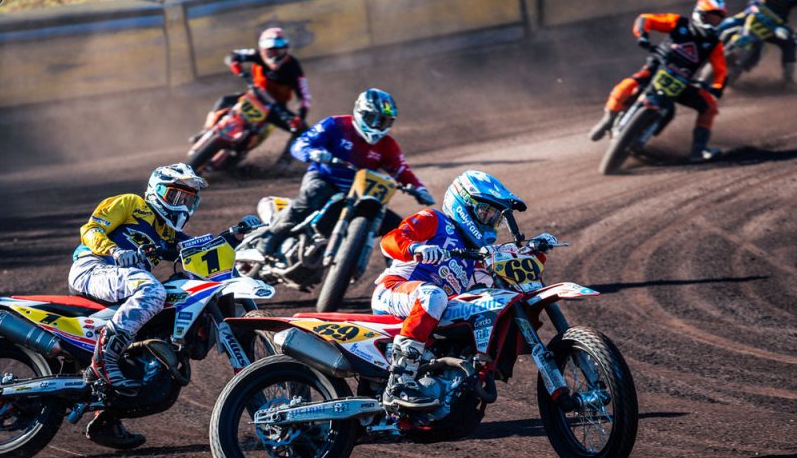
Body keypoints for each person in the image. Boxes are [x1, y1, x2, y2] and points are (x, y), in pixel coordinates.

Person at [372, 171, 579, 412]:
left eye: (494, 217)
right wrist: (416, 247)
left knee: (490, 304)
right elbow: (391, 239)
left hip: (431, 311)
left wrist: (534, 249)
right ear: (464, 204)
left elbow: (493, 281)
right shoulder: (435, 219)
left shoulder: (478, 256)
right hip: (394, 289)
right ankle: (399, 384)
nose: (490, 220)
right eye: (485, 212)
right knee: (433, 295)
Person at [68, 164, 207, 449]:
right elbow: (90, 229)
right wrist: (116, 251)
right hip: (93, 266)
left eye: (189, 199)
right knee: (153, 290)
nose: (183, 205)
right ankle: (103, 360)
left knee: (162, 323)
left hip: (122, 283)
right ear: (157, 191)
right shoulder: (131, 203)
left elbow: (201, 247)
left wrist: (239, 240)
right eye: (176, 196)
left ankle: (107, 415)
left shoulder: (168, 234)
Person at [256, 88, 435, 260]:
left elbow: (401, 169)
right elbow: (300, 144)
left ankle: (395, 270)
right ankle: (267, 241)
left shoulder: (388, 145)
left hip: (359, 194)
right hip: (324, 179)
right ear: (360, 112)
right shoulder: (335, 124)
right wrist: (312, 153)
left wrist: (419, 189)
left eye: (385, 122)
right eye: (373, 119)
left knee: (395, 226)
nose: (377, 126)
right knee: (313, 195)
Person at [589, 0, 729, 162]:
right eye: (711, 17)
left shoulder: (714, 43)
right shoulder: (679, 23)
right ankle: (608, 120)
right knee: (626, 86)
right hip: (657, 67)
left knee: (710, 106)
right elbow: (645, 19)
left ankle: (698, 151)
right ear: (700, 14)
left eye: (717, 19)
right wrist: (642, 35)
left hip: (683, 81)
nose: (713, 22)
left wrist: (717, 86)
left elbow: (721, 69)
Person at [197, 27, 311, 162]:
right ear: (263, 50)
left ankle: (284, 162)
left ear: (286, 48)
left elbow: (304, 96)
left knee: (302, 130)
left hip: (275, 108)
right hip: (254, 96)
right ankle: (206, 131)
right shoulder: (256, 55)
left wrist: (300, 117)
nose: (274, 54)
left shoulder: (293, 67)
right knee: (224, 100)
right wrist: (236, 65)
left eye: (278, 49)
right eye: (270, 50)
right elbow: (233, 55)